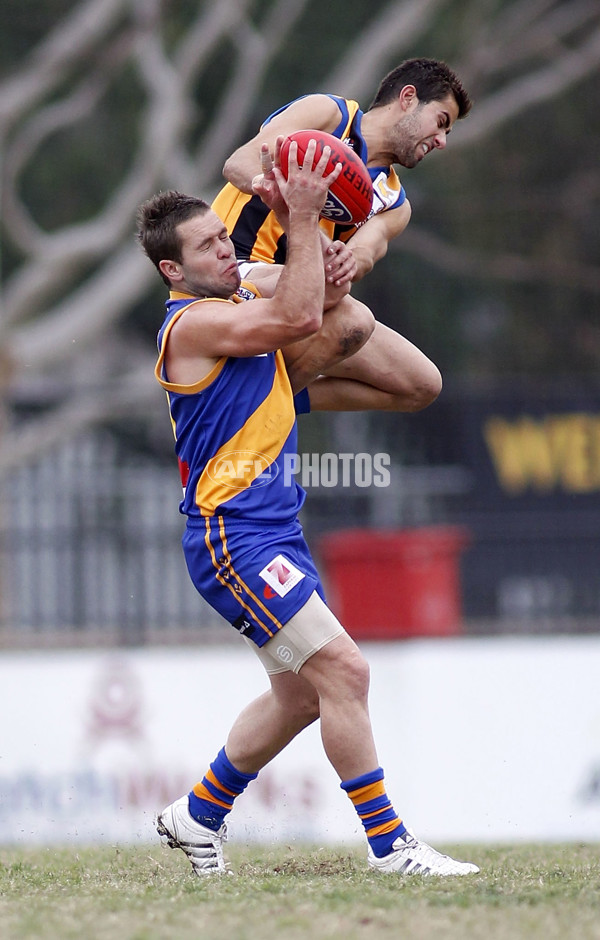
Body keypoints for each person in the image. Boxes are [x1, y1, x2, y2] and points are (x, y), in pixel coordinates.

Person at [136, 139, 479, 879]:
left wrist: (326, 256)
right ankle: (391, 847)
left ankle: (196, 814)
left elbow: (302, 297)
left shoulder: (231, 293)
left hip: (271, 532)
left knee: (299, 694)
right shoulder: (191, 324)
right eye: (206, 247)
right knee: (345, 673)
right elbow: (295, 318)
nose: (225, 250)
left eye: (225, 237)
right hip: (233, 542)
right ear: (172, 270)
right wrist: (297, 216)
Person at [213, 57, 472, 410]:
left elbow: (359, 258)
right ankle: (254, 407)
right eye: (441, 122)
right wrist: (293, 199)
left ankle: (267, 403)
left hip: (294, 292)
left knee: (421, 384)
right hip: (232, 268)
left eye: (447, 133)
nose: (442, 141)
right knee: (352, 315)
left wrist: (343, 258)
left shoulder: (395, 204)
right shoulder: (329, 116)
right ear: (408, 98)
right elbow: (238, 164)